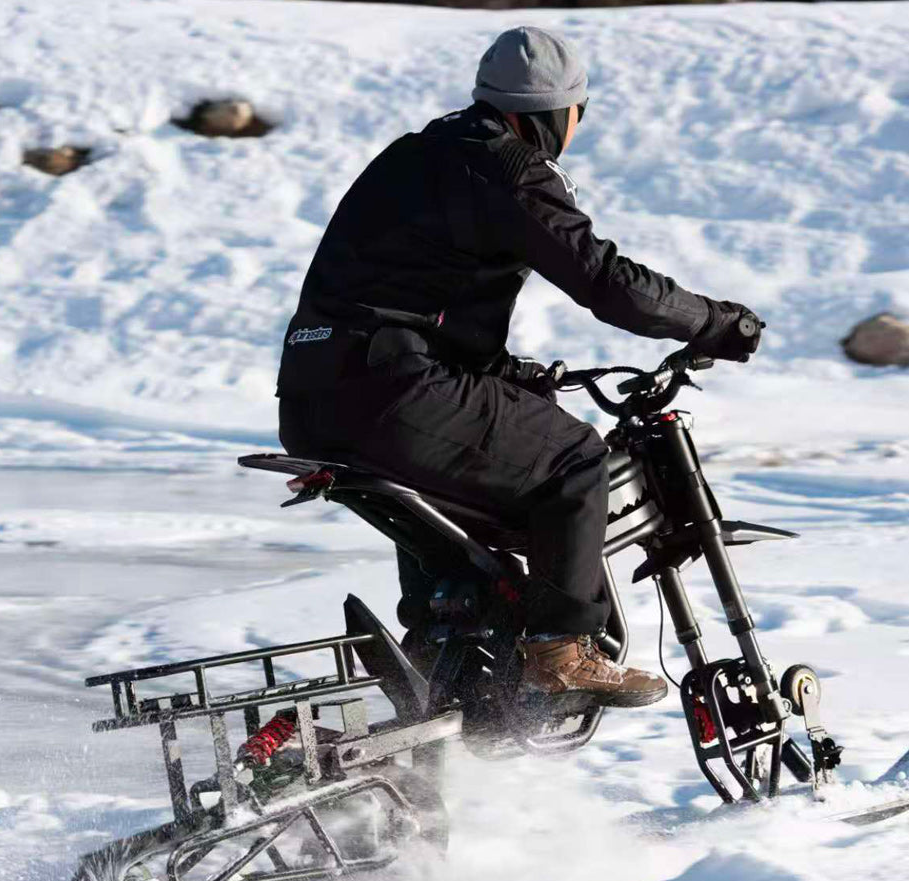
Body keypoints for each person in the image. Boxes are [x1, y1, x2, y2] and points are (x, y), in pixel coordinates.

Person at [276, 26, 763, 709]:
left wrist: (505, 373)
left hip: (313, 395)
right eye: (578, 114)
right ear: (555, 113)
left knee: (466, 522)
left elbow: (407, 289)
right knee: (574, 460)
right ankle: (561, 649)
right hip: (394, 389)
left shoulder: (415, 155)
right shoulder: (507, 168)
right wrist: (715, 321)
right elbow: (607, 283)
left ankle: (450, 667)